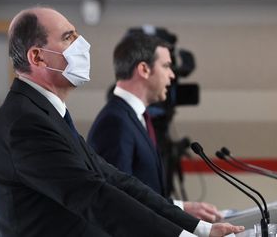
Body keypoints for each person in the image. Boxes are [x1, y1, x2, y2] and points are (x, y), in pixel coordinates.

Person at [0, 7, 244, 237]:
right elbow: (95, 196)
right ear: (38, 57)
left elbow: (116, 181)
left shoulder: (47, 113)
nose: (81, 44)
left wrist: (199, 228)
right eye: (68, 37)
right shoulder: (24, 122)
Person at [87, 34, 223, 223]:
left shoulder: (135, 116)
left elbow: (141, 190)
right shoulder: (114, 121)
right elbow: (119, 199)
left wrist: (181, 208)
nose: (172, 75)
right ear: (144, 69)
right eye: (166, 66)